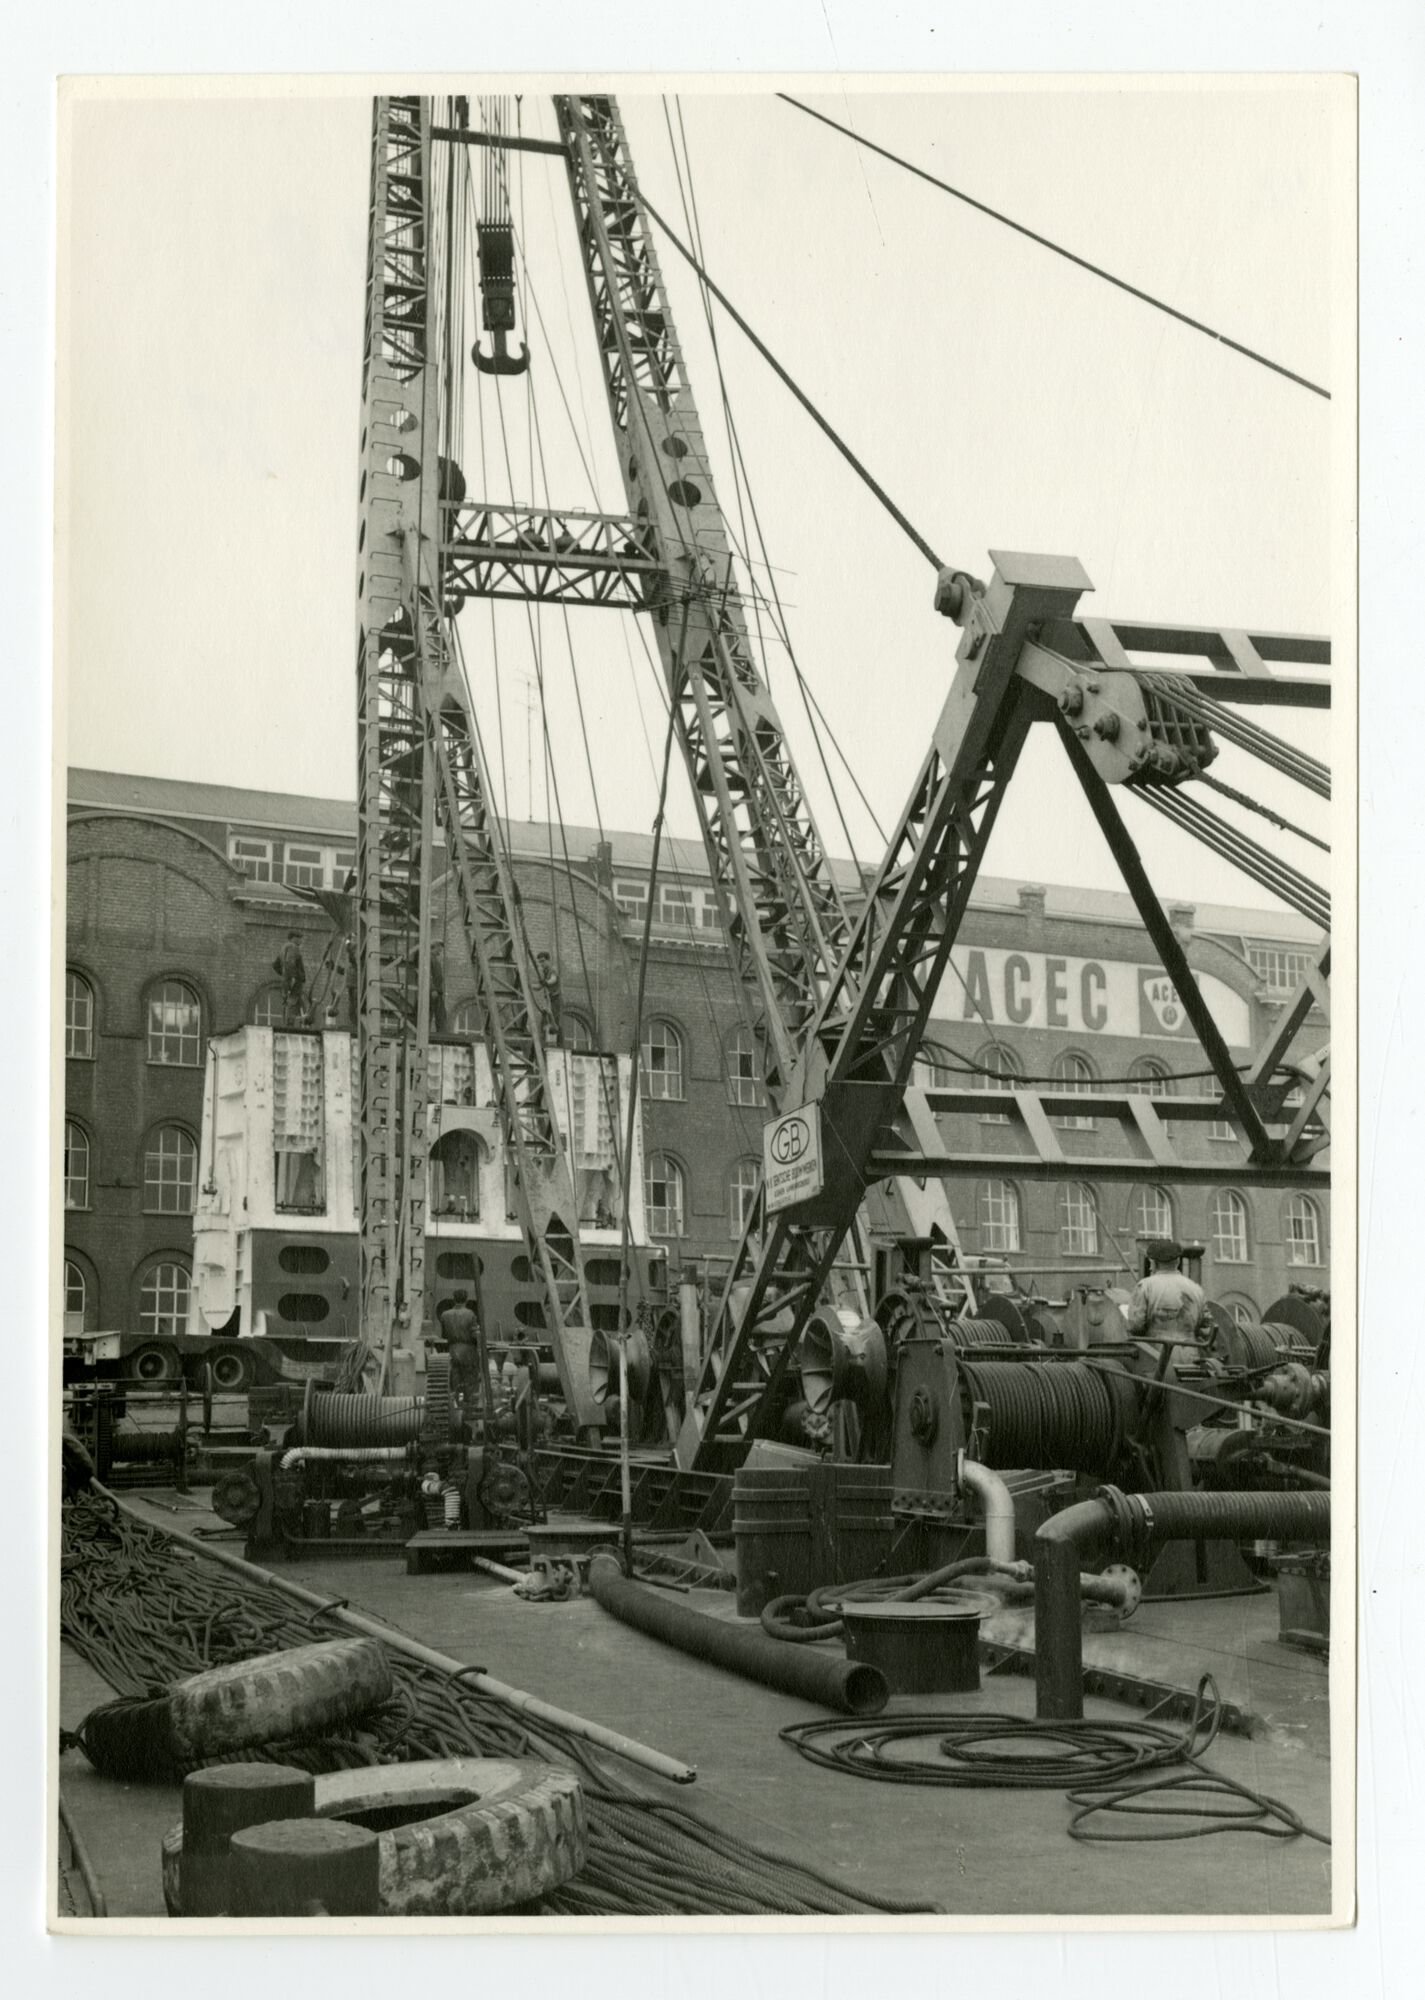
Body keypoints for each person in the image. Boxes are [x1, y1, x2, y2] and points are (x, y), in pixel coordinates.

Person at [1124, 1239, 1207, 1341]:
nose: (1150, 1268)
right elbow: (1205, 1327)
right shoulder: (1196, 1289)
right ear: (1178, 1262)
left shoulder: (1145, 1287)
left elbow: (1136, 1326)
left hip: (1155, 1348)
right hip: (1191, 1349)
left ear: (1154, 1263)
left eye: (1151, 1263)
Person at [436, 1289, 482, 1431]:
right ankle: (469, 1418)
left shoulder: (445, 1315)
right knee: (470, 1385)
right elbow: (475, 1335)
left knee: (454, 1384)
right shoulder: (470, 1314)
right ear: (466, 1299)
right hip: (468, 1352)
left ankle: (455, 1416)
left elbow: (444, 1335)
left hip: (452, 1350)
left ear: (453, 1299)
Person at [274, 932, 307, 1026]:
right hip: (294, 981)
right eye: (299, 938)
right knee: (293, 1003)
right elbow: (290, 963)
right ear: (293, 938)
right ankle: (290, 1024)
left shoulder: (283, 948)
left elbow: (275, 965)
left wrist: (284, 975)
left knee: (289, 1002)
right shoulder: (293, 947)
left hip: (287, 980)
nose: (301, 941)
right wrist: (293, 977)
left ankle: (289, 1023)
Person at [428, 943, 447, 1035]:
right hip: (433, 992)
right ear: (434, 947)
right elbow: (428, 975)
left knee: (441, 1014)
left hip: (438, 991)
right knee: (429, 1013)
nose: (440, 950)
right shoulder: (429, 959)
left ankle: (442, 1033)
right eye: (439, 948)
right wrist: (432, 989)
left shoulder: (435, 959)